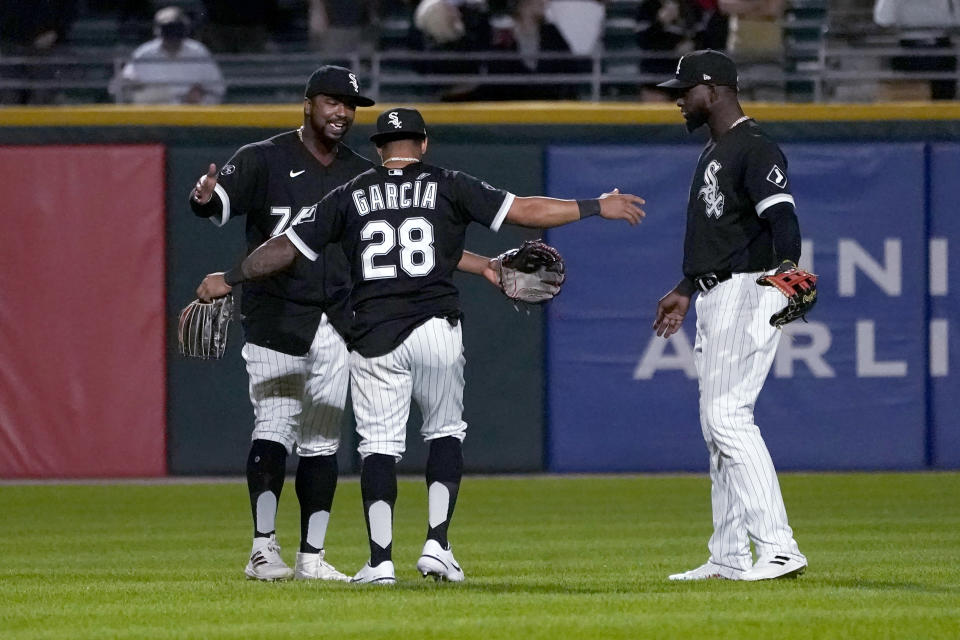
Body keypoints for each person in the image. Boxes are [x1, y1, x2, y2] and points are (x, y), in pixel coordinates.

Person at [195, 107, 646, 584]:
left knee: (379, 447)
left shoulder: (351, 193)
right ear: (424, 144)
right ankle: (437, 544)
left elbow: (283, 247)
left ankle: (380, 561)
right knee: (445, 432)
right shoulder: (449, 183)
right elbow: (525, 212)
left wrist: (229, 277)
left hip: (375, 335)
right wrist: (598, 205)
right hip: (436, 327)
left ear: (377, 149)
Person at [188, 72, 501, 582]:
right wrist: (204, 199)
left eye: (351, 105)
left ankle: (312, 555)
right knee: (273, 428)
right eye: (333, 101)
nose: (342, 112)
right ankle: (264, 547)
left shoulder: (362, 173)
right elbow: (216, 204)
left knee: (321, 442)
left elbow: (415, 243)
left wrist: (482, 263)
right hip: (275, 315)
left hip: (336, 318)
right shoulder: (263, 156)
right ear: (308, 103)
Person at [653, 50, 807, 581]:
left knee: (728, 418)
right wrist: (685, 289)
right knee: (716, 429)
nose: (677, 99)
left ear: (713, 89)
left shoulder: (755, 146)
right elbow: (724, 236)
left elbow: (782, 217)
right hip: (716, 291)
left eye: (684, 89)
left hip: (750, 289)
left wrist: (787, 272)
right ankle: (728, 554)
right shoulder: (717, 149)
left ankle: (780, 547)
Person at [110, 6, 225, 105]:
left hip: (191, 116)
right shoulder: (144, 53)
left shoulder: (199, 52)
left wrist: (202, 98)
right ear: (159, 31)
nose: (173, 36)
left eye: (176, 29)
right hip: (154, 116)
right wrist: (136, 87)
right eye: (168, 30)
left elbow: (218, 89)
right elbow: (120, 87)